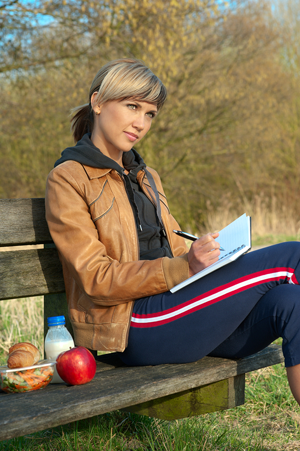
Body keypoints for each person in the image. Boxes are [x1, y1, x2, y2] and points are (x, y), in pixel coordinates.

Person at [45, 57, 300, 405]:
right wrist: (185, 267)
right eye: (132, 106)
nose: (141, 122)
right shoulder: (69, 178)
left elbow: (178, 248)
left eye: (149, 113)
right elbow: (95, 278)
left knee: (290, 302)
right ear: (98, 102)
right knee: (292, 256)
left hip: (177, 312)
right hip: (131, 325)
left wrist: (209, 255)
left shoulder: (146, 177)